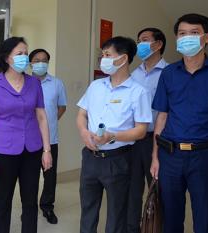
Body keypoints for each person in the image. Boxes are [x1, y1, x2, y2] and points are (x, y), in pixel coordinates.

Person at [150, 13, 208, 233]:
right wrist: (155, 157)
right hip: (170, 156)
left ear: (206, 37)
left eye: (194, 33)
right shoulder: (169, 73)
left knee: (204, 219)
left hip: (206, 157)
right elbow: (161, 116)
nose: (187, 37)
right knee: (170, 220)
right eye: (182, 34)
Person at [76, 36, 152, 233]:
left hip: (118, 160)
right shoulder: (95, 86)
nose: (103, 59)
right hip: (90, 157)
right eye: (102, 55)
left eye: (108, 55)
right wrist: (84, 132)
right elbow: (81, 114)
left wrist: (112, 136)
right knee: (88, 208)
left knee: (117, 213)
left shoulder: (138, 91)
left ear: (123, 59)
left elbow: (141, 130)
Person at [0, 37, 52, 233]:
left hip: (32, 148)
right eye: (19, 53)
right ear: (6, 58)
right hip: (4, 150)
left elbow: (42, 117)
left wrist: (47, 150)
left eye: (25, 54)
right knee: (3, 199)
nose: (24, 57)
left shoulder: (34, 83)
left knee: (30, 200)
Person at [127, 27, 168, 233]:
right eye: (138, 40)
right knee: (132, 189)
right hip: (135, 139)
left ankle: (155, 228)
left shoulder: (169, 73)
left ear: (158, 44)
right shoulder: (134, 74)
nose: (139, 44)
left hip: (158, 139)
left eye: (144, 40)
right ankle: (132, 227)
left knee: (157, 189)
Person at [29, 48, 67, 224]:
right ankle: (28, 207)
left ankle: (47, 207)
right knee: (29, 176)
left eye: (44, 60)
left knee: (49, 176)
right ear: (30, 63)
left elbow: (62, 107)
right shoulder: (24, 82)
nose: (40, 63)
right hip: (28, 140)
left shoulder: (57, 83)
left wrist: (49, 122)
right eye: (36, 60)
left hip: (50, 140)